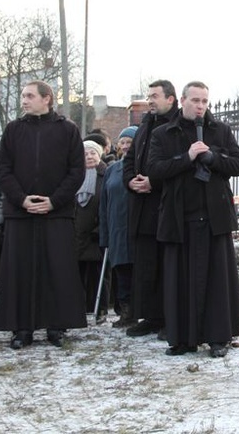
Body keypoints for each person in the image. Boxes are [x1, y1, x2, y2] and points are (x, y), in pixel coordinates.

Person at [147, 81, 239, 357]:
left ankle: (218, 338)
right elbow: (154, 170)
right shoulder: (163, 133)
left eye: (205, 101)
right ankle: (182, 338)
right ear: (182, 100)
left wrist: (213, 157)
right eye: (195, 100)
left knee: (217, 281)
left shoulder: (221, 131)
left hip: (214, 217)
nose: (201, 106)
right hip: (180, 219)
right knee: (180, 280)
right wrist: (187, 157)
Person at [0, 80, 86, 349]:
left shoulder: (67, 130)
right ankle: (22, 328)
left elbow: (76, 171)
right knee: (20, 271)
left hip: (56, 213)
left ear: (47, 98)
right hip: (21, 213)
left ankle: (57, 326)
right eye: (23, 95)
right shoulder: (13, 130)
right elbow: (3, 170)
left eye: (30, 95)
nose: (24, 100)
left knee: (57, 270)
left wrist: (53, 201)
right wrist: (22, 200)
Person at [122, 79, 179, 338]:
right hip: (142, 207)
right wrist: (130, 180)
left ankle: (170, 318)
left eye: (155, 95)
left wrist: (152, 182)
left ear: (171, 98)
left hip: (165, 207)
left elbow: (178, 165)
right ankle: (150, 315)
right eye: (149, 95)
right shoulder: (145, 124)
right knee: (146, 266)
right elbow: (130, 158)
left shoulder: (177, 126)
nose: (151, 100)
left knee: (167, 267)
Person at [101, 125, 138, 328]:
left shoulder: (143, 168)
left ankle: (140, 311)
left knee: (137, 271)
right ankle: (126, 311)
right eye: (122, 142)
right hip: (116, 228)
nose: (125, 146)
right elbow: (104, 203)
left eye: (129, 143)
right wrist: (104, 234)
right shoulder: (112, 170)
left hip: (135, 228)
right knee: (121, 272)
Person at [74, 140, 108, 323]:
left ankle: (99, 309)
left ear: (99, 154)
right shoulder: (75, 175)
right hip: (77, 234)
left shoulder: (105, 174)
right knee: (77, 273)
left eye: (93, 153)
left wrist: (100, 228)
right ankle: (78, 308)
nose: (89, 156)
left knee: (97, 274)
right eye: (85, 153)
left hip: (95, 234)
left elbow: (109, 203)